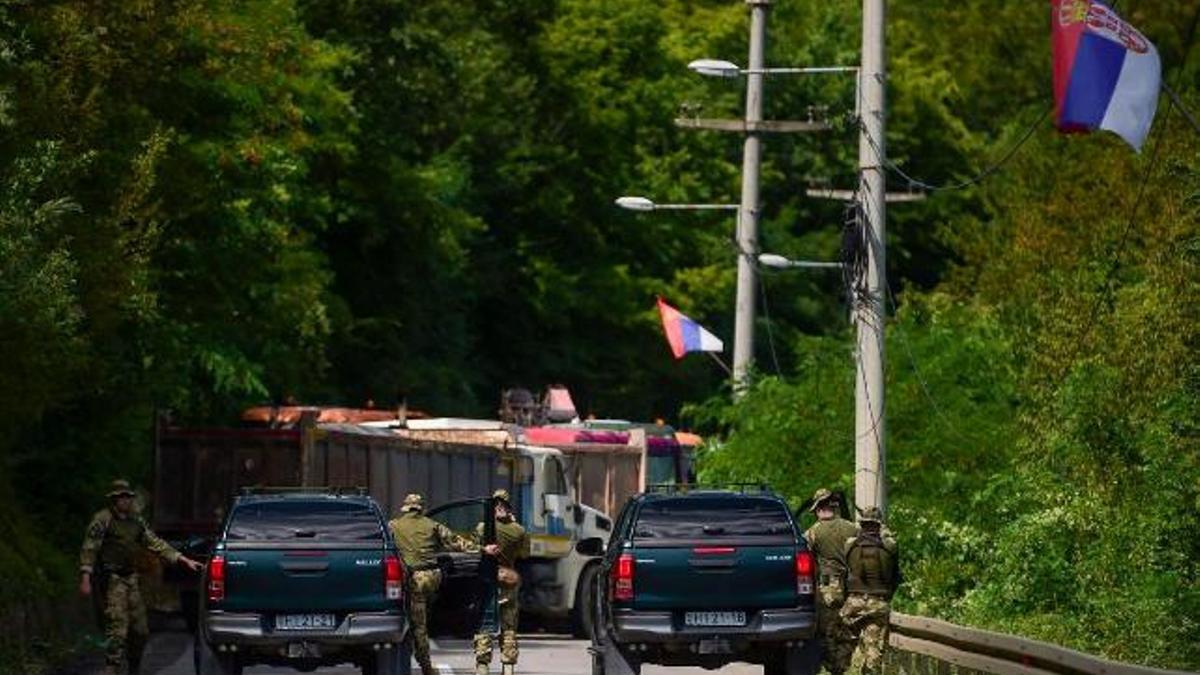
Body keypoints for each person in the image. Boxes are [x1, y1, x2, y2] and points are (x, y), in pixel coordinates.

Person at [79, 479, 203, 675]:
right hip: (112, 579)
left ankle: (134, 667)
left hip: (131, 579)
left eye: (128, 497)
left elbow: (155, 543)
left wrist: (181, 559)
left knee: (140, 630)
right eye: (122, 497)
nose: (126, 501)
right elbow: (90, 547)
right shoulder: (103, 520)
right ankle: (111, 668)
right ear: (114, 500)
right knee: (117, 628)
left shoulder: (136, 522)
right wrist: (86, 575)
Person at [388, 493, 498, 675]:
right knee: (426, 616)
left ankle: (423, 665)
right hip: (432, 577)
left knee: (417, 625)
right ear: (421, 508)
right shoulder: (432, 525)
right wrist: (483, 549)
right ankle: (440, 628)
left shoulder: (394, 525)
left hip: (411, 580)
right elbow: (456, 543)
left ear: (405, 508)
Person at [473, 489, 530, 675]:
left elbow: (474, 549)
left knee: (484, 622)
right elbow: (525, 554)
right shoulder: (519, 531)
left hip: (487, 581)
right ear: (509, 508)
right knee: (509, 626)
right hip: (508, 580)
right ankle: (508, 667)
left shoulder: (482, 528)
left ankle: (482, 665)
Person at [803, 488, 859, 675]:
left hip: (828, 588)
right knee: (846, 629)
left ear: (819, 509)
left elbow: (804, 560)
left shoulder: (814, 532)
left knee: (827, 631)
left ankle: (834, 669)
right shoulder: (852, 528)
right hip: (852, 587)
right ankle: (845, 665)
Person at [840, 506, 900, 675]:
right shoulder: (890, 546)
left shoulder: (850, 545)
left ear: (862, 524)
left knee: (841, 639)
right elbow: (895, 576)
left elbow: (845, 570)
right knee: (874, 646)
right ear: (879, 524)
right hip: (878, 603)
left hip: (853, 603)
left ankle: (847, 665)